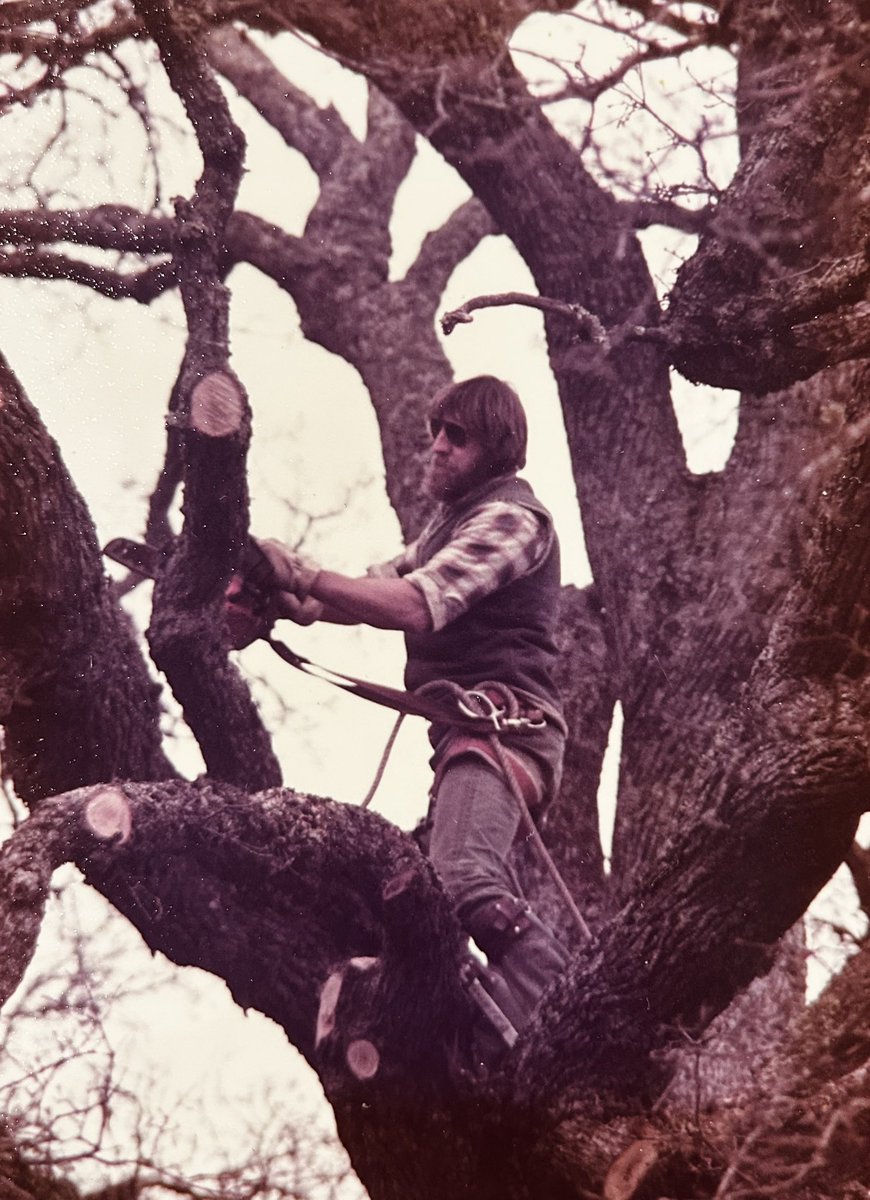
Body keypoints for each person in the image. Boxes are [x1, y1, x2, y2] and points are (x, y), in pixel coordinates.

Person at [252, 375, 568, 1037]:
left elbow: (414, 605)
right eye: (435, 434)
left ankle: (554, 994)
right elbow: (359, 593)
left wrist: (305, 578)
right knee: (412, 894)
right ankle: (470, 1020)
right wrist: (276, 593)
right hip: (470, 736)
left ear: (497, 448)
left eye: (458, 436)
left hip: (505, 732)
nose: (438, 447)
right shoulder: (444, 531)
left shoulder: (512, 519)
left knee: (462, 880)